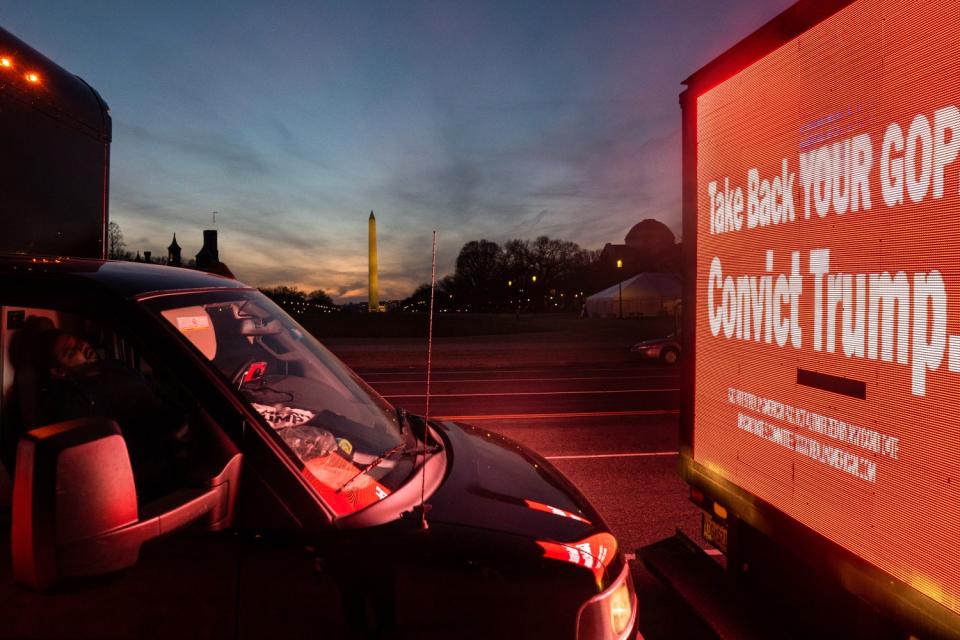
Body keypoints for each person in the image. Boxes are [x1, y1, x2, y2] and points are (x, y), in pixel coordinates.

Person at [36, 328, 190, 497]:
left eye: (78, 340)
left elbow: (156, 395)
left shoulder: (115, 366)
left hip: (177, 434)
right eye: (71, 351)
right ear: (59, 372)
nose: (82, 347)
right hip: (150, 472)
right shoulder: (69, 401)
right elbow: (101, 463)